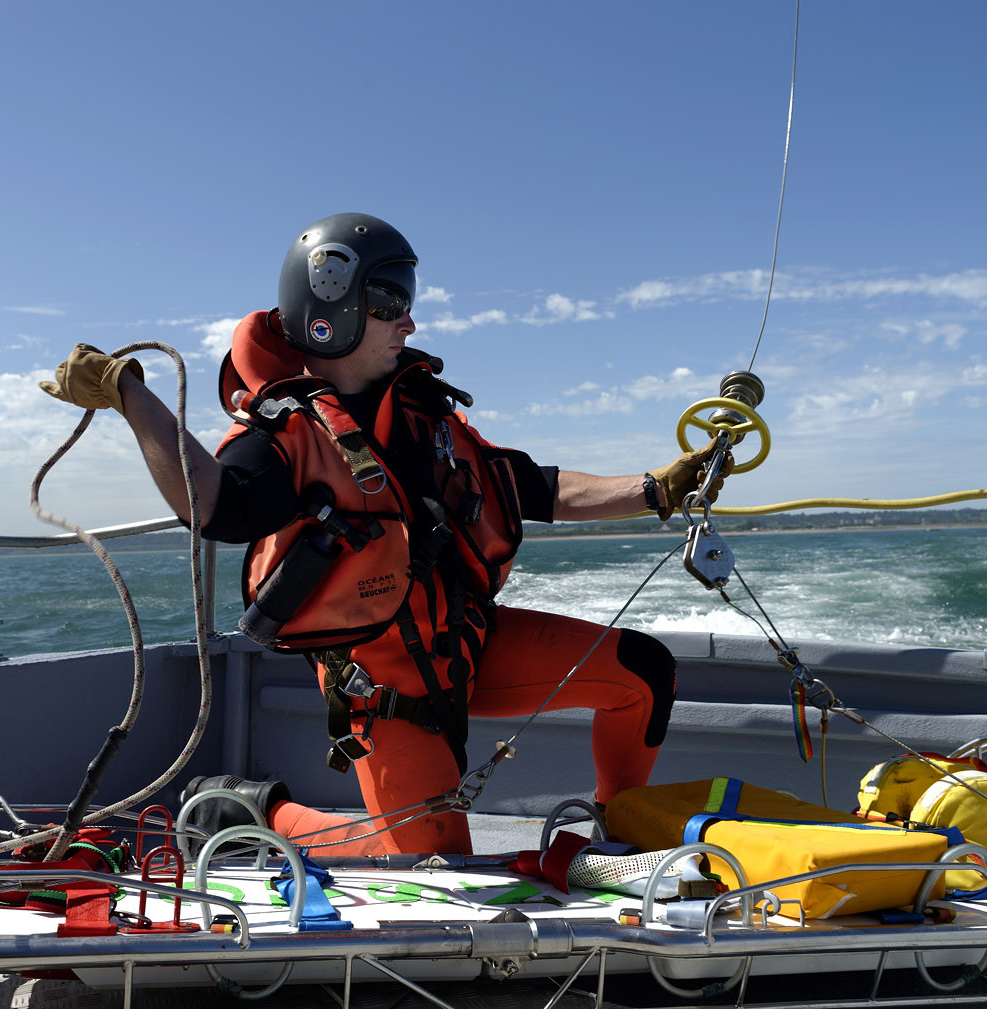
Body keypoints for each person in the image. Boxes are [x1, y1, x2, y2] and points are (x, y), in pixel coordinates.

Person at [41, 212, 729, 857]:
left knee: (643, 672)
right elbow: (215, 505)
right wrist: (130, 393)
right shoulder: (288, 433)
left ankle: (621, 841)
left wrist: (657, 489)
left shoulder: (424, 412)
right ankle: (263, 814)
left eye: (406, 298)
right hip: (388, 690)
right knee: (432, 862)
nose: (408, 318)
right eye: (390, 301)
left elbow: (528, 486)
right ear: (329, 310)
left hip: (467, 643)